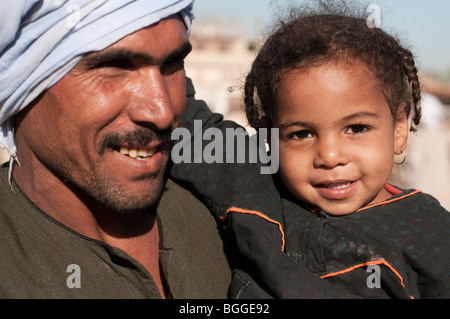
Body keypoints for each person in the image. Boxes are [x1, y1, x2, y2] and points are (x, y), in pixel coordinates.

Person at [171, 1, 450, 298]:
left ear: (398, 129)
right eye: (301, 134)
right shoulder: (254, 187)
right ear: (270, 137)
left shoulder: (429, 233)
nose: (330, 156)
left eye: (356, 129)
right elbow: (185, 118)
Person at [0, 0, 233, 299]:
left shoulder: (229, 211)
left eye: (172, 65)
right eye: (114, 67)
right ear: (24, 82)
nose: (162, 111)